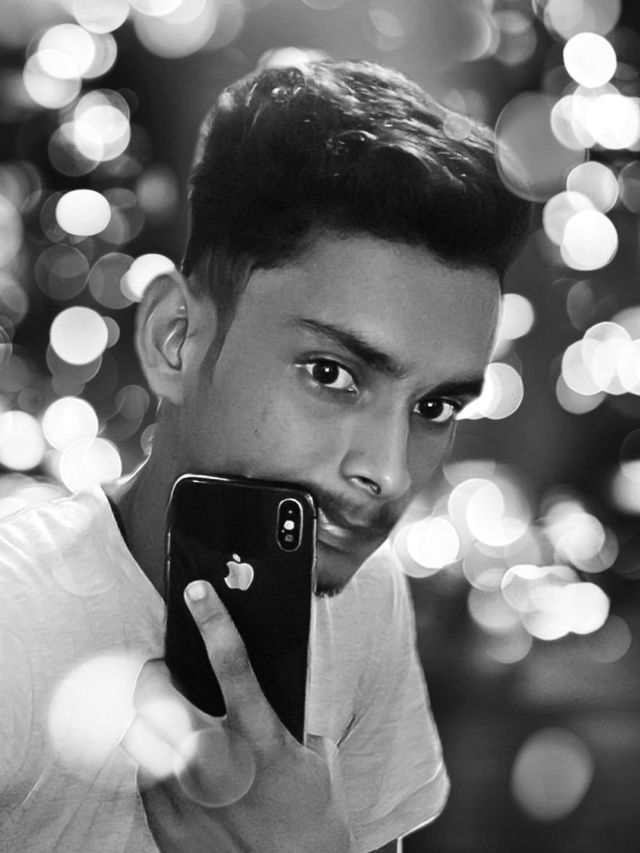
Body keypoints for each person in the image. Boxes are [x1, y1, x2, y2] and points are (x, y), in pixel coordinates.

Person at [0, 57, 531, 852]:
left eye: (433, 407)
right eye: (331, 373)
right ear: (177, 338)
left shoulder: (363, 595)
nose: (388, 474)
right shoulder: (14, 626)